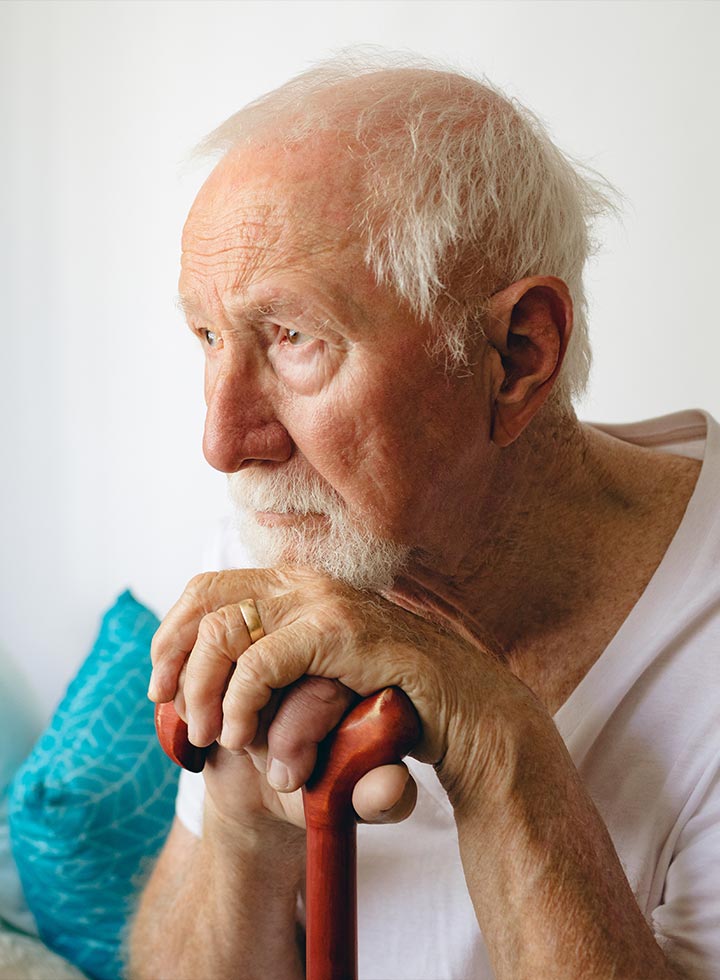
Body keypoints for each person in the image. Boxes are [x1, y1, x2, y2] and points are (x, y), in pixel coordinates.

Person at [129, 52, 720, 980]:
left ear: (519, 354)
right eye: (207, 336)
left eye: (292, 338)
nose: (225, 439)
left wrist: (495, 744)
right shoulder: (293, 532)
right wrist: (242, 820)